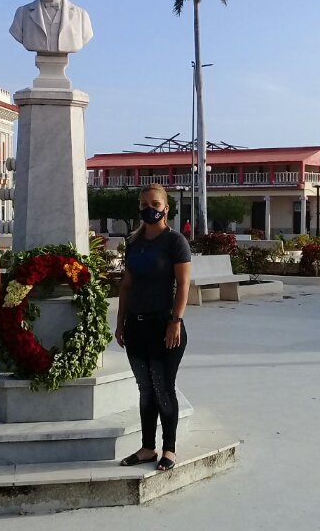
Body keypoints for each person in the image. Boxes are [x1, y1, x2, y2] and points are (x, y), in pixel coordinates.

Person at [115, 184, 191, 472]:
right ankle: (148, 447)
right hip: (136, 326)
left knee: (162, 387)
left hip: (165, 326)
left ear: (166, 207)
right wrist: (121, 321)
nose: (150, 208)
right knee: (145, 389)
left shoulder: (175, 242)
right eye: (145, 203)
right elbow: (127, 285)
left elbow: (183, 284)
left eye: (156, 203)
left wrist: (176, 321)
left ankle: (169, 449)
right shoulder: (133, 242)